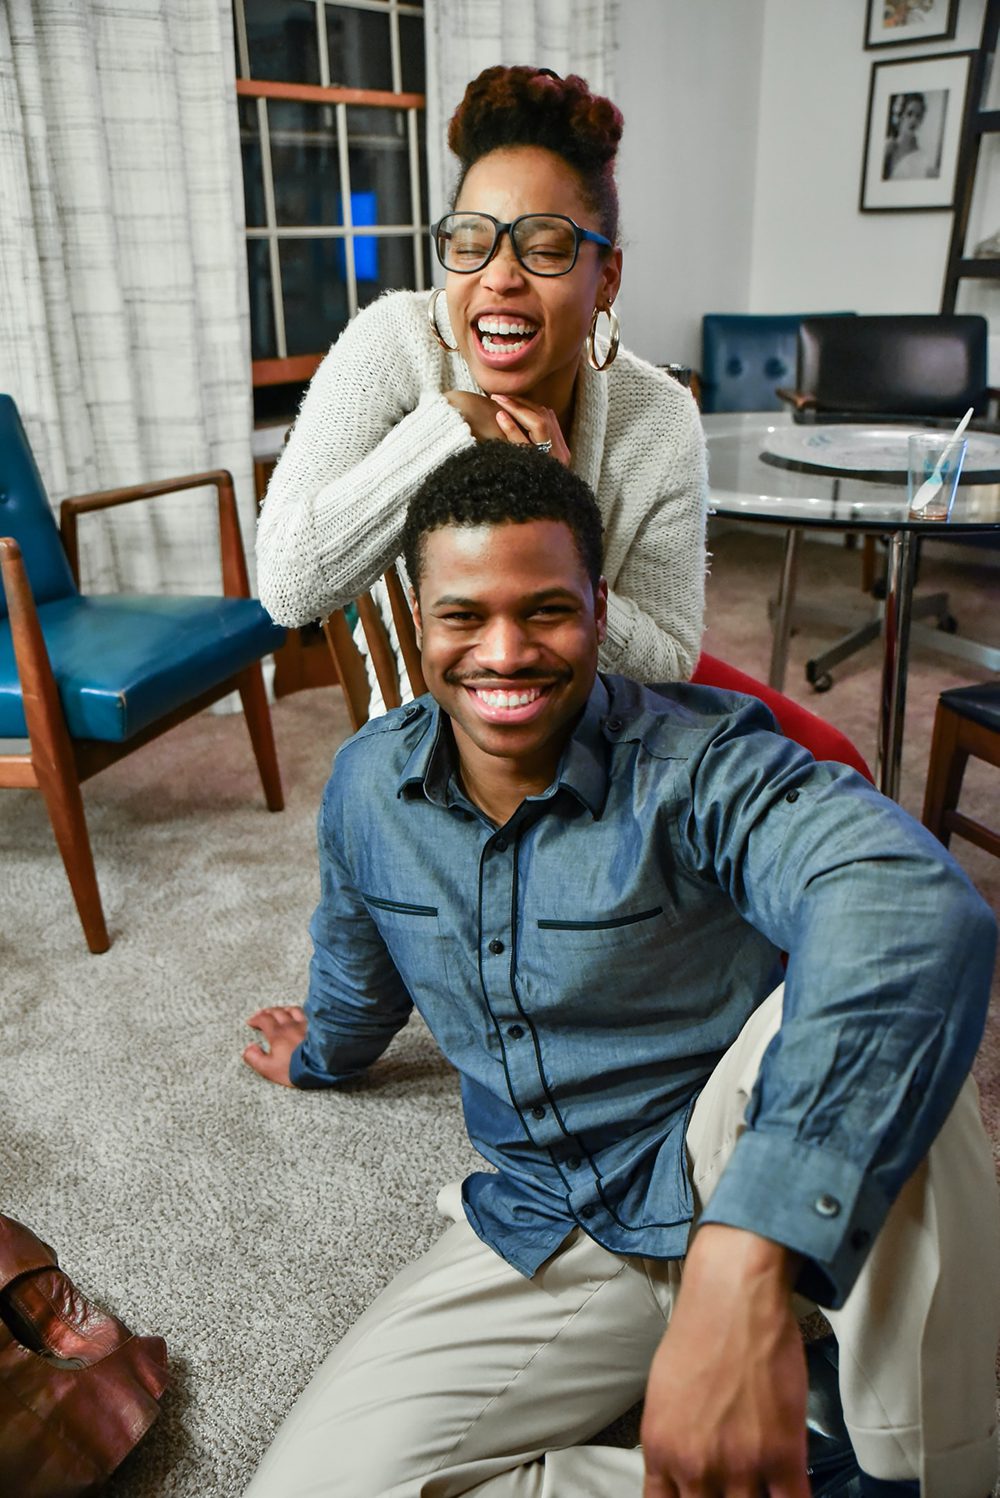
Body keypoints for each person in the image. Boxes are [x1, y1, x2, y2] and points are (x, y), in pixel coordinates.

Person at [243, 442, 1000, 1498]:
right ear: (418, 617)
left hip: (731, 1167)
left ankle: (924, 1470)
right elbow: (359, 955)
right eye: (463, 614)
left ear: (599, 607)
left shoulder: (699, 763)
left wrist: (742, 1254)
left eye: (545, 610)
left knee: (877, 1002)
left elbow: (910, 902)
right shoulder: (368, 786)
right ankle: (784, 1461)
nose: (503, 651)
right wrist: (322, 1052)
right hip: (558, 1217)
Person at [255, 65, 707, 689]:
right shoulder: (392, 342)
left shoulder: (659, 417)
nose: (499, 277)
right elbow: (287, 586)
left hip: (609, 724)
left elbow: (671, 662)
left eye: (545, 248)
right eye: (472, 243)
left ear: (607, 278)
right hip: (434, 739)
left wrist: (561, 542)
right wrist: (451, 428)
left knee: (824, 756)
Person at [883, 93, 937, 181]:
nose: (913, 120)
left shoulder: (922, 158)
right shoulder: (887, 145)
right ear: (901, 116)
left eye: (918, 116)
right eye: (909, 113)